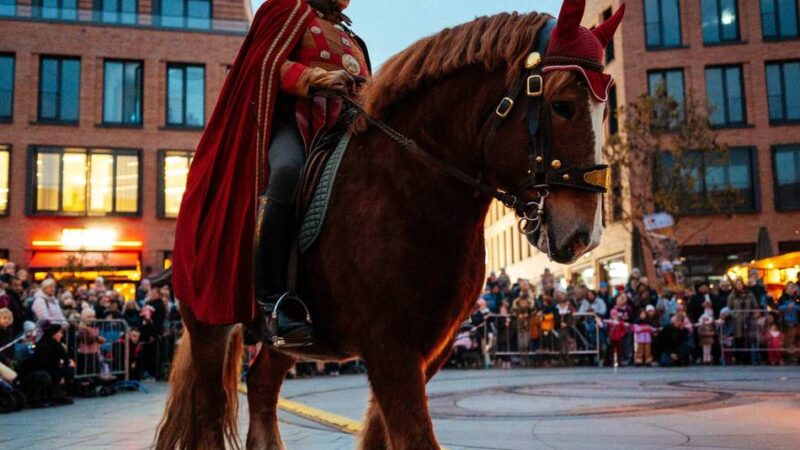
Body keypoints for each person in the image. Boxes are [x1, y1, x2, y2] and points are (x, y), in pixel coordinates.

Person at [171, 0, 371, 347]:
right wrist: (315, 79)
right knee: (287, 172)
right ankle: (272, 300)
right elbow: (262, 65)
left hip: (344, 126)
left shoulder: (349, 35)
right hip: (294, 122)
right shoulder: (285, 10)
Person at [20, 321, 74, 407]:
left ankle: (58, 395)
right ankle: (35, 398)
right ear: (54, 334)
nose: (61, 335)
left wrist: (65, 370)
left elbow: (65, 359)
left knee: (69, 370)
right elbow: (44, 365)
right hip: (37, 371)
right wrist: (59, 375)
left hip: (51, 370)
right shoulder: (43, 346)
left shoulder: (57, 345)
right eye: (59, 333)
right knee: (45, 376)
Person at [727, 278, 758, 364]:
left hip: (748, 318)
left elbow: (755, 305)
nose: (739, 286)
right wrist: (733, 315)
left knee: (748, 339)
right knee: (738, 339)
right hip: (737, 320)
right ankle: (738, 358)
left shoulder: (749, 294)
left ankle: (748, 358)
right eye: (737, 284)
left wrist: (754, 314)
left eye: (740, 284)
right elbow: (729, 307)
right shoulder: (732, 295)